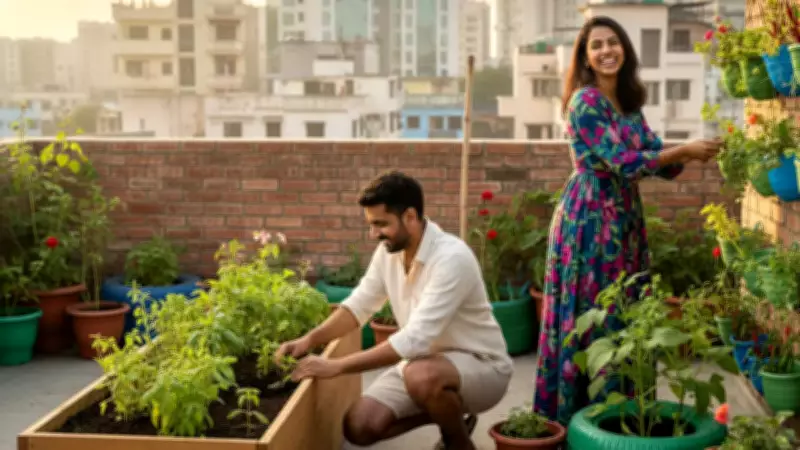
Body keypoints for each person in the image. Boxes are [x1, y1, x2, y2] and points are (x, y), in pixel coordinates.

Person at [531, 16, 723, 425]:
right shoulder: (586, 102)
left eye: (613, 42)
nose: (606, 51)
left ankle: (624, 418)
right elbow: (623, 164)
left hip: (623, 220)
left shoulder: (629, 104)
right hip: (590, 219)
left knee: (626, 312)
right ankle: (580, 421)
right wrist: (681, 152)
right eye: (596, 45)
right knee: (595, 312)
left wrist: (697, 152)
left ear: (625, 50)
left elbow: (655, 160)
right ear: (584, 57)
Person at [274, 171, 513, 450]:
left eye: (380, 224)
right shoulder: (390, 253)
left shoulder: (452, 259)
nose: (373, 234)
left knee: (422, 377)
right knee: (359, 426)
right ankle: (449, 414)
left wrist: (336, 366)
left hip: (482, 366)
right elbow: (358, 306)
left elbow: (413, 339)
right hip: (421, 364)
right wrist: (309, 340)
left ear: (410, 217)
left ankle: (457, 442)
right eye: (371, 224)